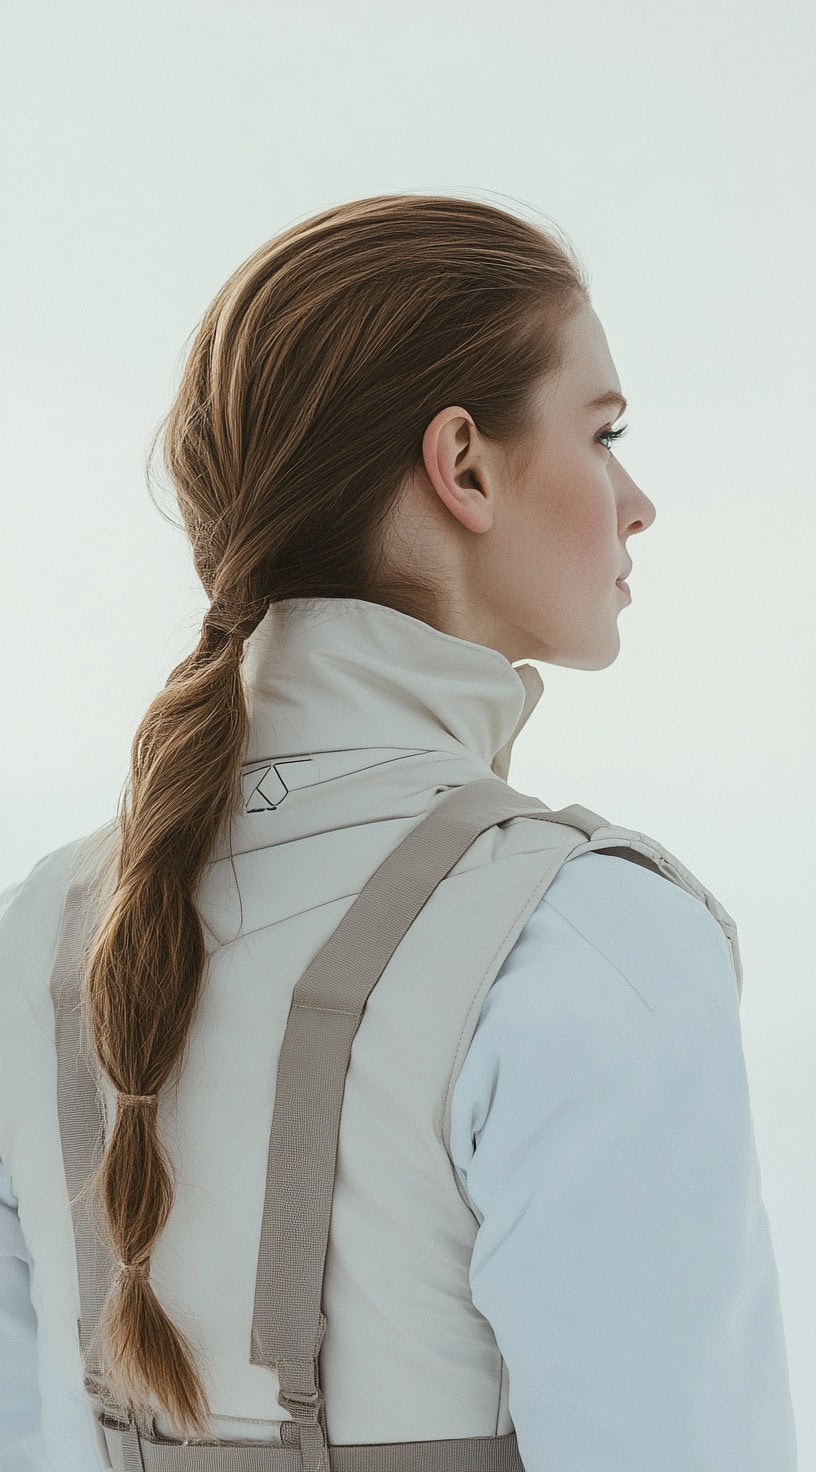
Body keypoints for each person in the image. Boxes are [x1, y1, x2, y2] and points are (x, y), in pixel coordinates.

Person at [0, 194, 797, 1472]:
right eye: (604, 432)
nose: (636, 501)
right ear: (465, 464)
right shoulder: (581, 940)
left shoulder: (44, 927)